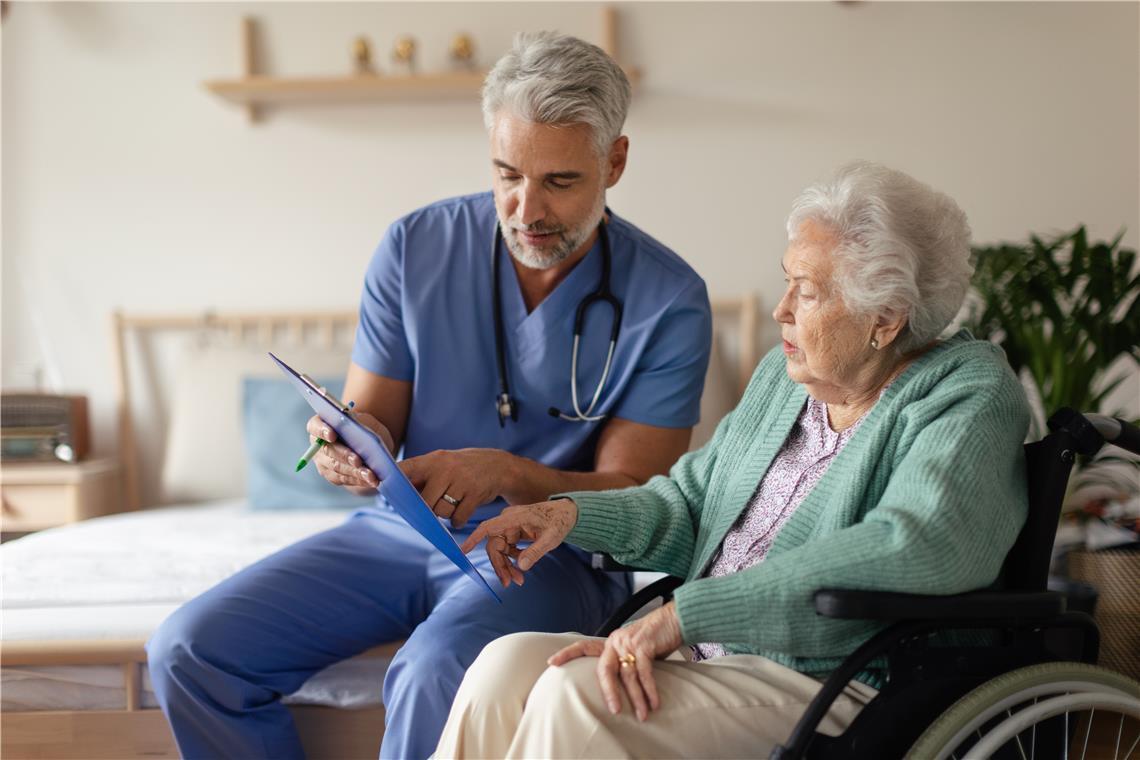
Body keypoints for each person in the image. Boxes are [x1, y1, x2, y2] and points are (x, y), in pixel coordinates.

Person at [146, 32, 712, 760]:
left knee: (434, 669)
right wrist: (346, 447)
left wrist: (506, 473)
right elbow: (372, 417)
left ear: (615, 162)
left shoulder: (669, 300)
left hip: (545, 553)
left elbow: (636, 492)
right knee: (189, 651)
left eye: (560, 182)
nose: (526, 207)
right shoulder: (416, 247)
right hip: (403, 531)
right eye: (507, 173)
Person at [438, 161, 1032, 759]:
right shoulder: (786, 377)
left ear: (885, 318)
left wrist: (682, 617)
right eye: (786, 282)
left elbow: (915, 545)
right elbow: (690, 503)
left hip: (840, 675)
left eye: (807, 290)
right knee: (501, 667)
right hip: (713, 658)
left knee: (578, 696)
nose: (781, 310)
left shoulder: (969, 392)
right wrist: (566, 514)